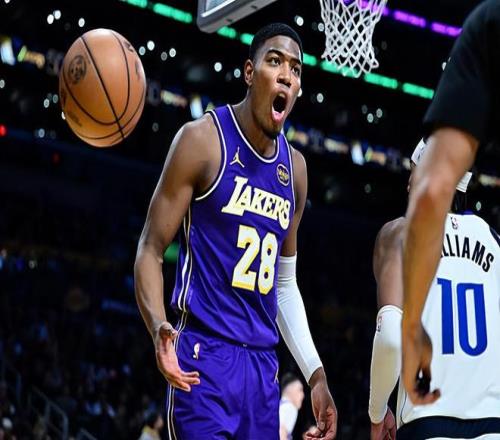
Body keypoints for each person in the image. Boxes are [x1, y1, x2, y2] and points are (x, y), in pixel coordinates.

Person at [134, 23, 337, 440]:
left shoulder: (295, 171)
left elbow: (284, 285)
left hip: (263, 371)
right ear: (249, 72)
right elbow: (150, 249)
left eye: (296, 69)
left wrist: (315, 374)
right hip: (203, 359)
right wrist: (158, 327)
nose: (286, 75)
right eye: (275, 61)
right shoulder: (202, 141)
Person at [401, 0, 500, 403]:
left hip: (444, 408)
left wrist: (411, 329)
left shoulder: (489, 22)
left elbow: (431, 192)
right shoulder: (491, 237)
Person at [370, 140, 500, 438]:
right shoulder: (494, 241)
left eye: (413, 172)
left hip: (427, 421)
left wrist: (376, 412)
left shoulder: (400, 233)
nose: (408, 184)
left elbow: (390, 336)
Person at [279, 373, 305, 440]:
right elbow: (281, 432)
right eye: (300, 390)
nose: (303, 395)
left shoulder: (280, 406)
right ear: (290, 390)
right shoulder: (290, 407)